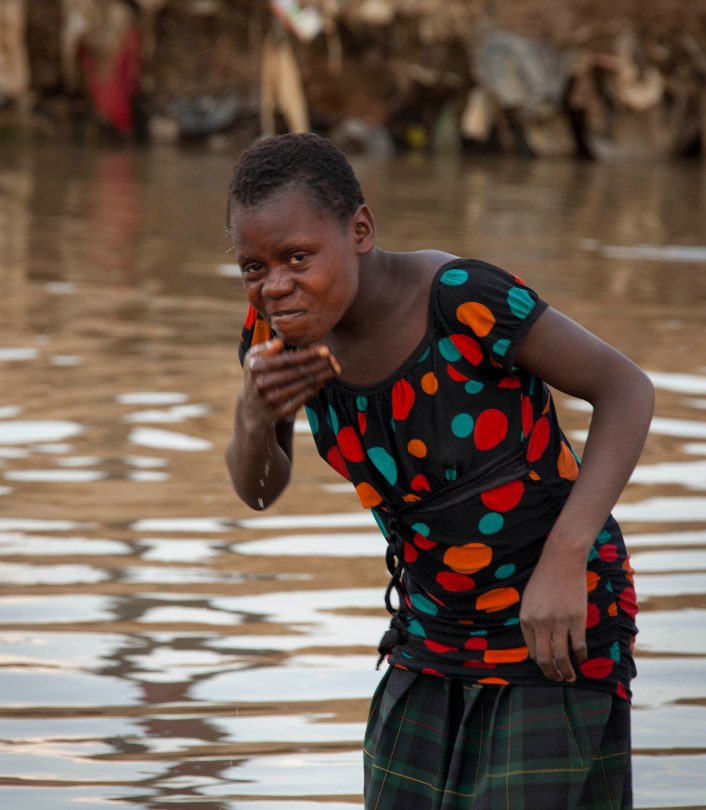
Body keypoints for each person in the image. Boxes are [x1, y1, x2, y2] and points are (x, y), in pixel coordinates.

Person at [224, 132, 654, 809]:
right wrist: (253, 411)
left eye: (298, 257)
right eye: (253, 267)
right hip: (432, 633)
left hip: (556, 622)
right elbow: (259, 489)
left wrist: (566, 559)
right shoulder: (274, 337)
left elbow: (626, 389)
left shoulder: (461, 300)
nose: (276, 285)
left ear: (360, 230)